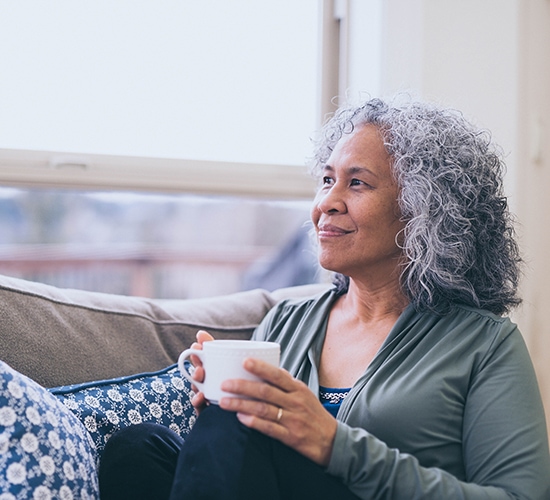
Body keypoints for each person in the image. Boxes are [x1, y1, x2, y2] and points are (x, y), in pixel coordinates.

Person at [98, 97, 550, 499]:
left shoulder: (484, 345)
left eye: (357, 183)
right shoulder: (285, 322)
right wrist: (219, 408)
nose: (326, 203)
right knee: (138, 449)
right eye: (327, 179)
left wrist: (337, 446)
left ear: (424, 211)